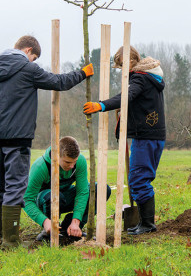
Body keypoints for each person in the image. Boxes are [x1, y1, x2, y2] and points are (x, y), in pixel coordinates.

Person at [0, 36, 94, 247]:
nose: (32, 62)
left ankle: (2, 236)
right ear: (29, 50)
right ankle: (10, 242)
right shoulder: (27, 69)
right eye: (33, 58)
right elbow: (58, 82)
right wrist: (83, 73)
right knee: (15, 187)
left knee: (1, 186)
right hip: (17, 136)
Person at [83, 46, 165, 236]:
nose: (120, 70)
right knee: (140, 178)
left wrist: (101, 105)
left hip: (146, 137)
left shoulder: (140, 78)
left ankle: (148, 224)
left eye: (121, 66)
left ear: (129, 62)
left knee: (138, 179)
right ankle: (145, 222)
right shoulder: (150, 77)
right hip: (152, 135)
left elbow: (126, 96)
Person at [23, 136, 111, 241]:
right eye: (67, 162)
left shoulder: (79, 162)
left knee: (102, 189)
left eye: (74, 162)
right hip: (45, 199)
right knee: (54, 196)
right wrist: (45, 221)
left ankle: (71, 229)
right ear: (56, 155)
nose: (72, 166)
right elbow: (26, 199)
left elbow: (82, 192)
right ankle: (49, 230)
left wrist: (76, 220)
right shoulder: (40, 167)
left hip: (66, 196)